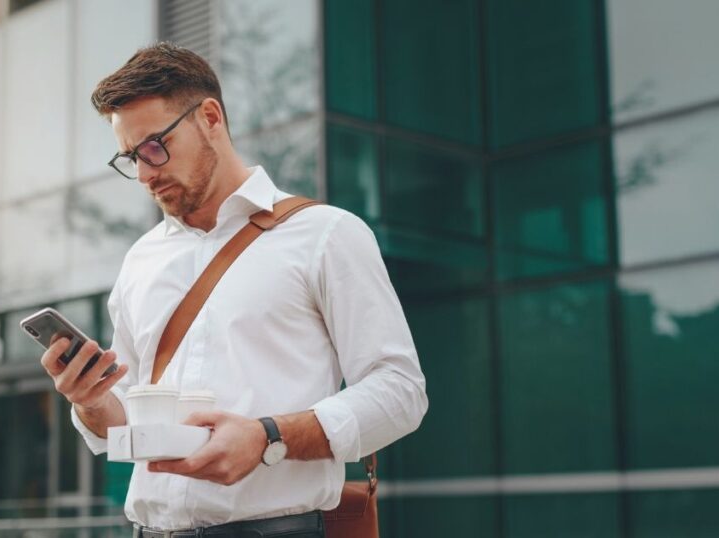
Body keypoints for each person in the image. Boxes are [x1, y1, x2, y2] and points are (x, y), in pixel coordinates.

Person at [38, 43, 428, 536]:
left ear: (209, 117)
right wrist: (90, 401)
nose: (144, 173)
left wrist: (268, 438)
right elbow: (124, 426)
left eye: (155, 146)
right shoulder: (141, 259)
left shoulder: (327, 234)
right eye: (130, 157)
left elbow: (401, 392)